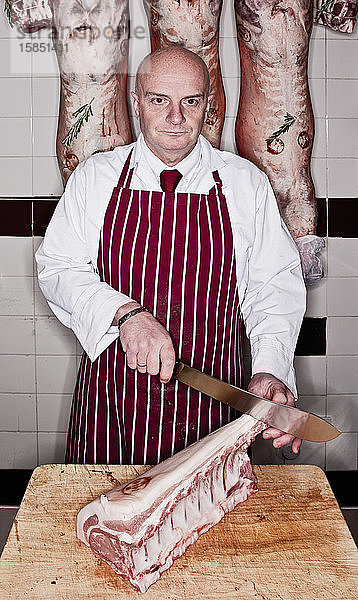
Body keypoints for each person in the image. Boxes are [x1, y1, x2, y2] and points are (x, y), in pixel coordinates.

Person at [36, 47, 306, 466]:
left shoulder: (243, 183)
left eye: (191, 102)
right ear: (136, 102)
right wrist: (126, 314)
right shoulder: (96, 178)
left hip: (211, 408)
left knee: (206, 524)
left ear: (208, 105)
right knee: (108, 521)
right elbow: (58, 268)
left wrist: (269, 369)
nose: (176, 117)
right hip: (114, 404)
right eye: (159, 100)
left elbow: (273, 286)